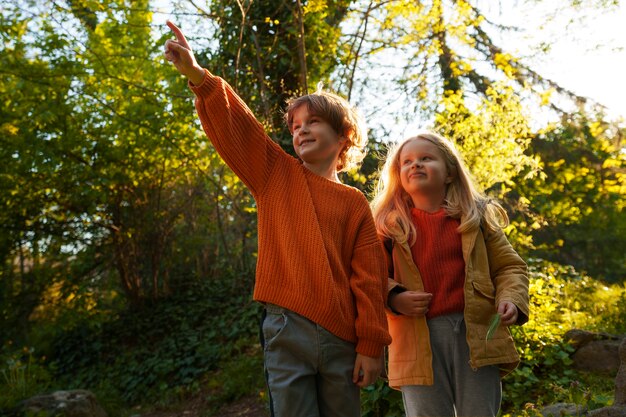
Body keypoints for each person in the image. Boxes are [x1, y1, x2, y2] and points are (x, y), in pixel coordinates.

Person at [164, 21, 391, 417]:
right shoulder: (275, 174)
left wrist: (371, 347)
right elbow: (243, 131)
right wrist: (199, 77)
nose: (301, 130)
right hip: (286, 327)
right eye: (295, 126)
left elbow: (369, 277)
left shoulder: (354, 202)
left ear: (343, 137)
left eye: (313, 122)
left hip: (342, 335)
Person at [370, 131, 530, 417]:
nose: (415, 165)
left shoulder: (475, 219)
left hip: (476, 335)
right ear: (399, 176)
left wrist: (512, 299)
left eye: (426, 159)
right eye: (407, 162)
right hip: (415, 341)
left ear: (449, 173)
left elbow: (510, 266)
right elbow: (370, 276)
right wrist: (394, 297)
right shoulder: (388, 228)